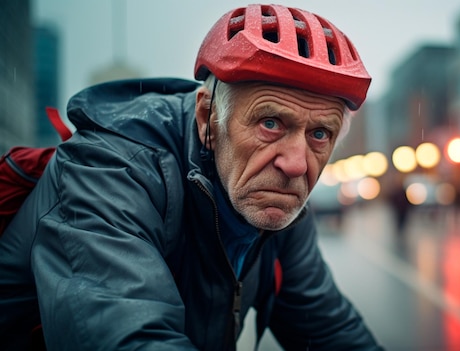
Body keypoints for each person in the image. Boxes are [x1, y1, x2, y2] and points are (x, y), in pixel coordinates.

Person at [0, 4, 383, 350]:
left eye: (320, 134)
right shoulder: (109, 170)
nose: (297, 164)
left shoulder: (278, 206)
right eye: (270, 123)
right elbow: (129, 338)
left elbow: (328, 330)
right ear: (207, 119)